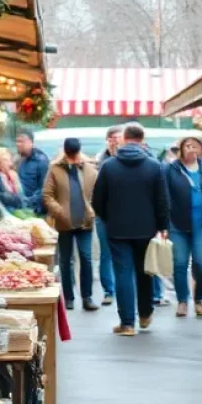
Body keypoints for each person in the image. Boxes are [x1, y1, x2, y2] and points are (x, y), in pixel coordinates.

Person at [92, 123, 169, 336]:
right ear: (142, 139)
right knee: (145, 272)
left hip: (117, 228)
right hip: (147, 228)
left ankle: (127, 323)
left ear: (124, 139)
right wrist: (162, 226)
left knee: (123, 273)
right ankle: (145, 314)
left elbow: (97, 200)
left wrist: (108, 217)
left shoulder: (109, 166)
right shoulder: (154, 166)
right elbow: (162, 200)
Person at [43, 138, 98, 312]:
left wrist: (92, 210)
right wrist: (60, 212)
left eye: (75, 155)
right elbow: (47, 195)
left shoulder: (90, 170)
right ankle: (68, 297)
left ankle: (87, 297)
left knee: (86, 258)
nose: (73, 159)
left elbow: (97, 194)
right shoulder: (55, 169)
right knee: (66, 260)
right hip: (64, 223)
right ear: (65, 152)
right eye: (70, 155)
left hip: (85, 221)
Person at [165, 134, 202, 318]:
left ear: (201, 149)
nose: (192, 149)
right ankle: (182, 301)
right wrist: (165, 222)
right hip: (178, 224)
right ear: (181, 149)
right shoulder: (171, 169)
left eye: (195, 146)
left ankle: (199, 298)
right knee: (179, 264)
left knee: (201, 265)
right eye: (188, 146)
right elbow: (165, 196)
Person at [94, 125, 123, 306]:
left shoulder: (127, 159)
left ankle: (123, 289)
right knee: (106, 253)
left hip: (124, 214)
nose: (115, 142)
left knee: (124, 253)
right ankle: (108, 291)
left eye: (117, 138)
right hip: (104, 213)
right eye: (111, 138)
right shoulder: (100, 160)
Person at [15, 131, 50, 214]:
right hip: (21, 208)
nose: (18, 144)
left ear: (30, 142)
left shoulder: (41, 161)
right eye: (17, 141)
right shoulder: (19, 159)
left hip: (35, 210)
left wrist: (28, 201)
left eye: (21, 141)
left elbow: (44, 188)